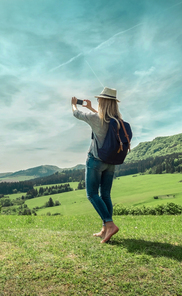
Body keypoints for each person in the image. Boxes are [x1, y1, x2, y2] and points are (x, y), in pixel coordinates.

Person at [71, 87, 123, 243]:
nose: (98, 100)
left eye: (100, 99)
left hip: (95, 161)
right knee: (105, 194)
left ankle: (109, 223)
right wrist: (89, 107)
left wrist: (74, 104)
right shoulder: (117, 121)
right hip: (111, 163)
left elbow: (76, 114)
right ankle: (104, 229)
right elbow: (101, 118)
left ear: (104, 101)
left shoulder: (96, 118)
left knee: (92, 194)